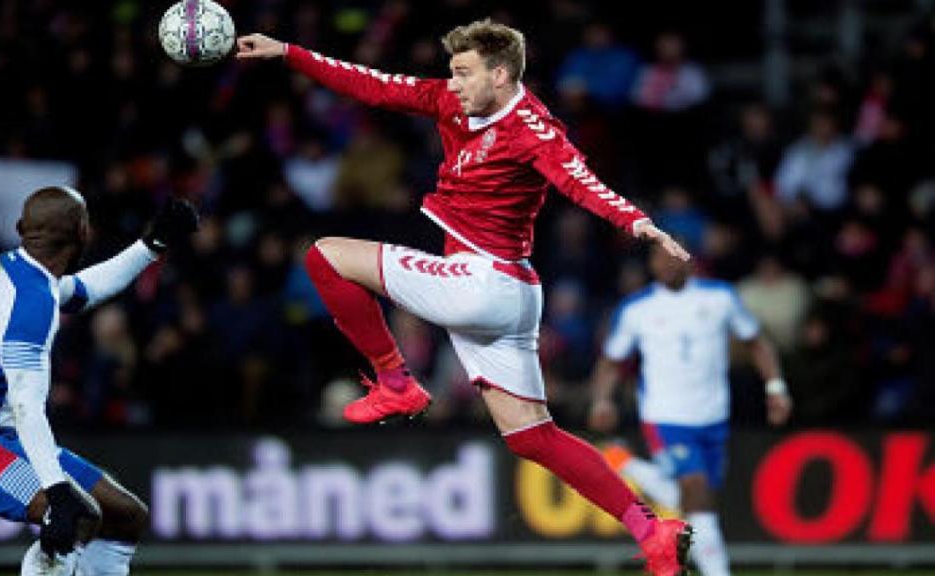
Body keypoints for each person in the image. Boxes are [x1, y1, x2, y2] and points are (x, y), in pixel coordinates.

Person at [237, 19, 693, 575]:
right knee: (534, 438)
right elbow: (373, 83)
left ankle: (395, 382)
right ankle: (652, 531)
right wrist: (288, 52)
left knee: (324, 255)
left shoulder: (535, 129)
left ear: (499, 74)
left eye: (462, 73)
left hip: (483, 284)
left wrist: (639, 223)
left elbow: (581, 181)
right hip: (512, 294)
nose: (451, 84)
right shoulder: (452, 102)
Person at [0, 187, 197, 575]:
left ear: (21, 229)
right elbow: (28, 406)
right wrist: (57, 491)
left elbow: (85, 291)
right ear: (83, 231)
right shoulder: (29, 301)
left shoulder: (21, 272)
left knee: (125, 515)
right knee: (73, 516)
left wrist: (152, 245)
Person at [588, 245, 793, 576]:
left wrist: (776, 388)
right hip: (665, 416)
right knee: (696, 494)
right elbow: (611, 361)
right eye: (660, 257)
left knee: (693, 502)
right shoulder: (637, 309)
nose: (667, 263)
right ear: (651, 265)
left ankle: (623, 463)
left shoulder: (720, 298)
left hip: (713, 417)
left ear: (690, 261)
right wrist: (602, 401)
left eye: (674, 256)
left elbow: (757, 342)